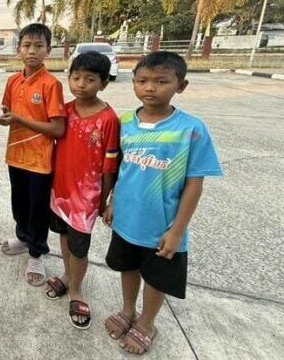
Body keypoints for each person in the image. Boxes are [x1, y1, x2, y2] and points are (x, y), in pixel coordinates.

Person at [103, 51, 222, 354]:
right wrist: (113, 200)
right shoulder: (126, 122)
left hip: (162, 226)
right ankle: (128, 310)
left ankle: (146, 322)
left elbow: (195, 183)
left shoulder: (191, 129)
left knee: (156, 277)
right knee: (127, 268)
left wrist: (177, 231)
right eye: (142, 81)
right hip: (127, 219)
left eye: (161, 81)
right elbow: (120, 168)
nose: (150, 88)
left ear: (181, 85)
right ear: (133, 84)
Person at [44, 51, 120, 330]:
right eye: (76, 77)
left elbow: (110, 164)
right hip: (60, 190)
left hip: (86, 196)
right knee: (63, 236)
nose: (81, 84)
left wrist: (106, 198)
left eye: (90, 79)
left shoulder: (109, 118)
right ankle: (66, 276)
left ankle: (76, 290)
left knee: (79, 246)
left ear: (104, 83)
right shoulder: (64, 110)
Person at [0, 23, 65, 286]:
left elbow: (57, 128)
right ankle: (23, 237)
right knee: (20, 203)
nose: (32, 51)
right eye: (27, 46)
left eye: (38, 46)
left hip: (40, 160)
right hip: (15, 155)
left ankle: (36, 252)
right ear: (18, 50)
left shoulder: (51, 84)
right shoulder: (13, 80)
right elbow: (7, 109)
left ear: (48, 50)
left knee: (38, 208)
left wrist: (19, 119)